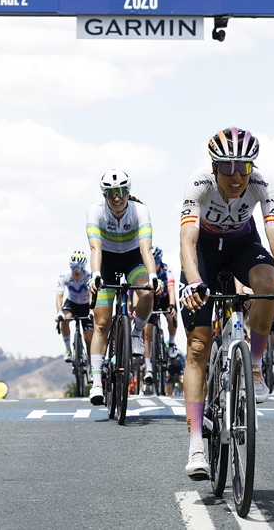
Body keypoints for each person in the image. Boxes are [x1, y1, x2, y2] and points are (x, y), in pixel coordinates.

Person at [177, 127, 274, 480]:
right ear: (214, 168)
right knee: (198, 347)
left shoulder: (262, 183)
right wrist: (194, 281)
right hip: (204, 252)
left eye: (243, 168)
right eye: (227, 168)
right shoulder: (199, 183)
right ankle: (196, 445)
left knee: (267, 283)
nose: (236, 177)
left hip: (243, 245)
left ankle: (255, 365)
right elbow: (187, 238)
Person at [86, 169, 159, 406]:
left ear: (128, 192)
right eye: (111, 193)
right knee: (102, 323)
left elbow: (145, 248)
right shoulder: (96, 210)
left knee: (147, 292)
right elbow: (95, 248)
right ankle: (97, 383)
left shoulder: (140, 210)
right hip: (106, 262)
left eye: (121, 192)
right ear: (104, 195)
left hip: (132, 259)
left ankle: (136, 332)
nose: (117, 197)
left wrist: (152, 275)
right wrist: (96, 275)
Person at [142, 247, 178, 390]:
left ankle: (172, 343)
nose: (154, 264)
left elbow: (171, 289)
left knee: (171, 316)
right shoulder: (145, 271)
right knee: (147, 333)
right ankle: (148, 368)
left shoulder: (167, 269)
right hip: (151, 299)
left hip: (164, 298)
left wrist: (172, 305)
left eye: (156, 261)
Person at [56, 250, 95, 362]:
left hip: (86, 305)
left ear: (84, 267)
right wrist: (59, 312)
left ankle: (91, 363)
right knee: (64, 320)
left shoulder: (89, 276)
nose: (77, 270)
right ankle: (68, 350)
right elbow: (59, 296)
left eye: (80, 268)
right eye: (74, 267)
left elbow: (91, 294)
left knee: (88, 339)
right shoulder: (64, 276)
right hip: (72, 303)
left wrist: (91, 311)